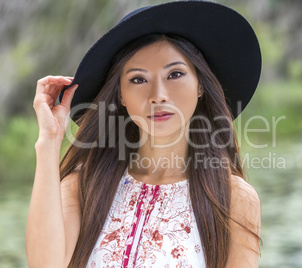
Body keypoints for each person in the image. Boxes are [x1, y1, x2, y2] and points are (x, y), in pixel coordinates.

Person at [26, 1, 263, 267]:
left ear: (200, 86)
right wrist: (48, 141)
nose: (158, 95)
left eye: (175, 74)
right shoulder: (84, 184)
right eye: (138, 79)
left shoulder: (233, 198)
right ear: (121, 96)